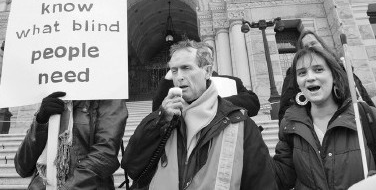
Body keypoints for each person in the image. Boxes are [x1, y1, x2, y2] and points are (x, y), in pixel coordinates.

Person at [122, 40, 277, 190]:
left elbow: (262, 182)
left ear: (207, 71)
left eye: (186, 68)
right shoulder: (164, 119)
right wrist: (159, 121)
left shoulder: (240, 123)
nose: (179, 77)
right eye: (174, 70)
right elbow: (132, 166)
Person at [272, 46, 376, 190]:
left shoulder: (367, 116)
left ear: (334, 76)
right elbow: (281, 178)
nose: (310, 77)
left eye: (318, 69)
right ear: (297, 83)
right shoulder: (289, 125)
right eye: (302, 73)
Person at [14, 92, 128, 190]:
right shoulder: (53, 97)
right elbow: (22, 167)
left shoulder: (107, 96)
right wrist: (40, 121)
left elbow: (105, 155)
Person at [278, 30, 375, 124]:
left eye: (313, 43)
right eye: (306, 47)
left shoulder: (345, 70)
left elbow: (364, 98)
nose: (311, 48)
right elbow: (285, 111)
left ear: (322, 44)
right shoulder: (292, 77)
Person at [152, 67, 260, 117]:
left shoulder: (230, 81)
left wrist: (212, 103)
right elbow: (157, 112)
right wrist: (167, 80)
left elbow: (253, 104)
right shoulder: (182, 85)